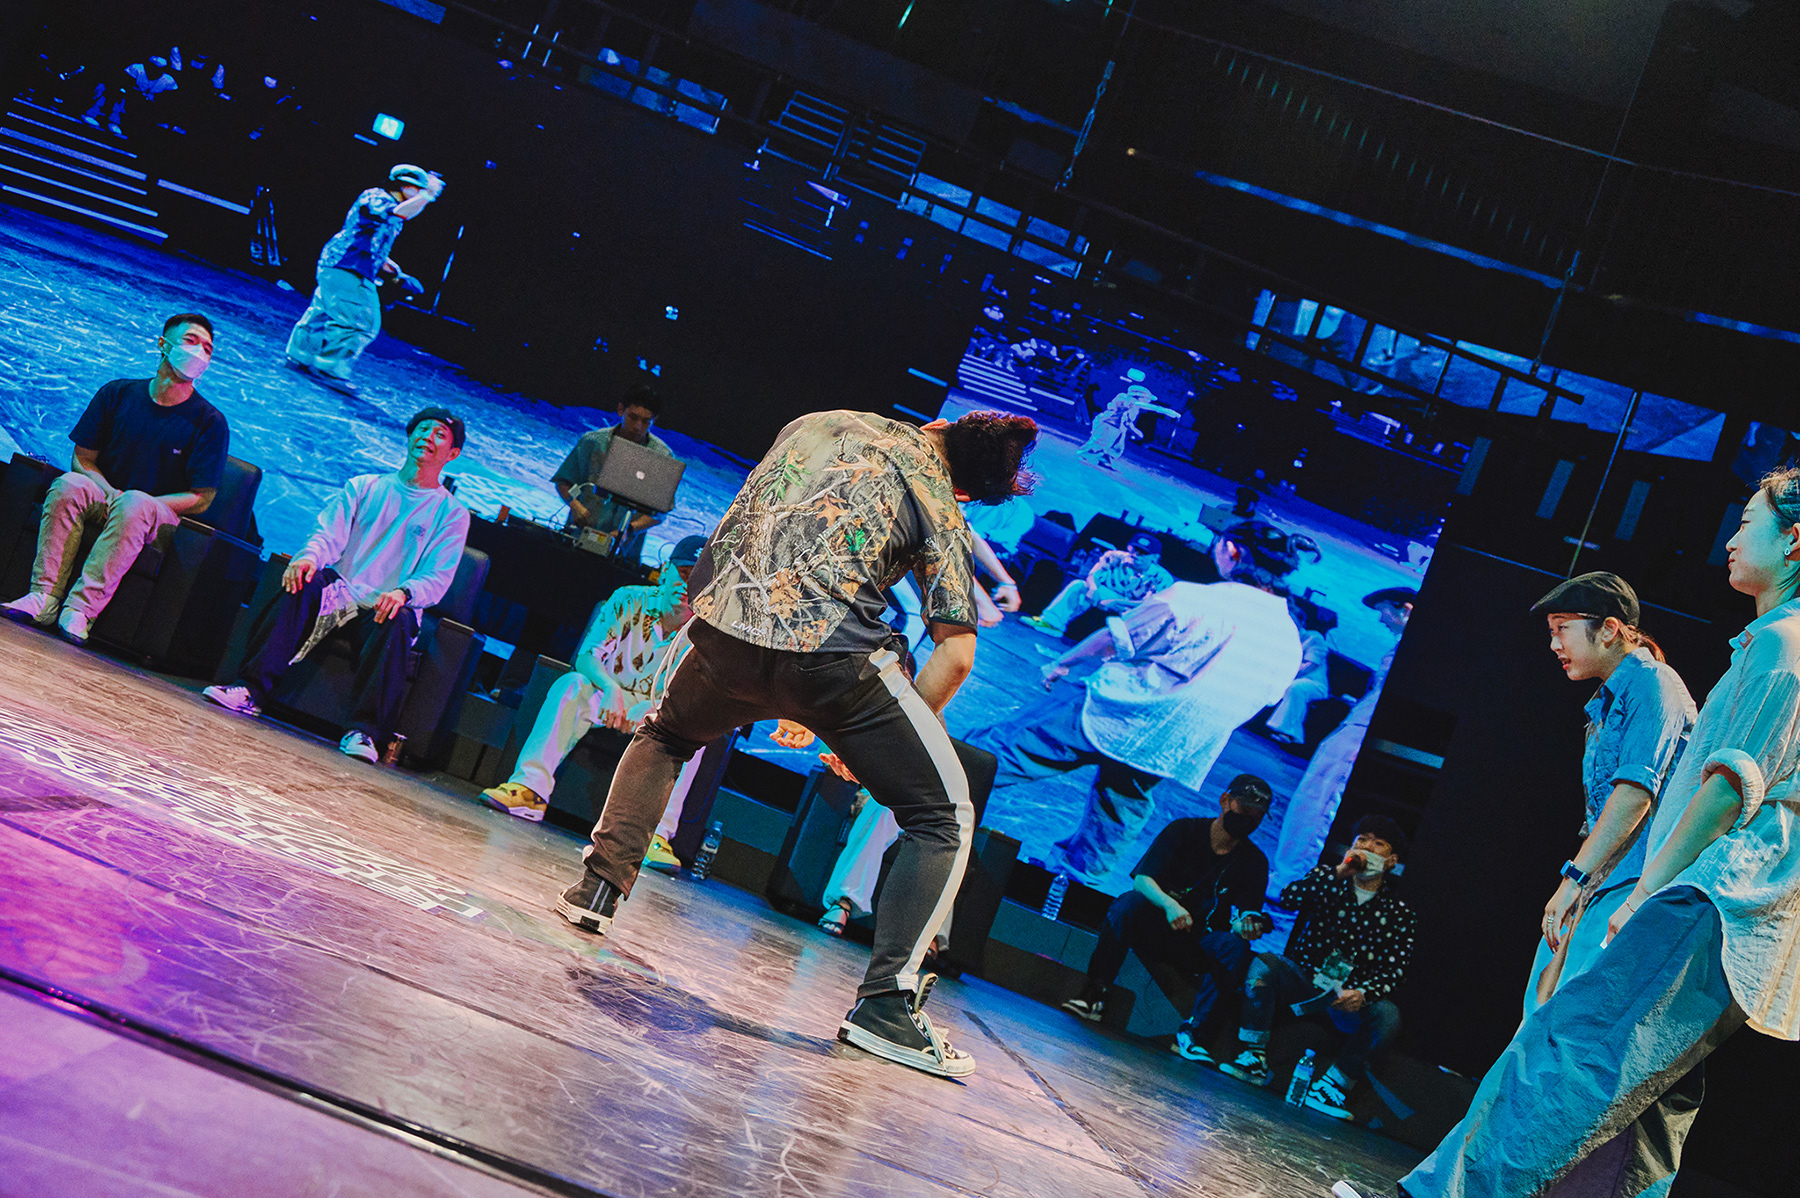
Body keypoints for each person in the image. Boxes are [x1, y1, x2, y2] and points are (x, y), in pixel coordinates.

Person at [1336, 469, 1800, 1198]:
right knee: (1643, 1101)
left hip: (1699, 893)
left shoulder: (1771, 651)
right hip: (1713, 904)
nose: (1732, 539)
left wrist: (1630, 891)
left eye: (1748, 523)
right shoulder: (1763, 646)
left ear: (1794, 540)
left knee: (1562, 1056)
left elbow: (1721, 788)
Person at [552, 408, 1037, 1079]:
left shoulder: (818, 422)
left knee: (664, 734)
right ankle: (886, 1010)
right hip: (832, 665)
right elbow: (956, 654)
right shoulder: (941, 503)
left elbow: (738, 526)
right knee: (944, 816)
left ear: (942, 425)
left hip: (726, 632)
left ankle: (596, 892)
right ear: (965, 488)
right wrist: (873, 746)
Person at [973, 520, 1307, 886]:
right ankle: (1071, 883)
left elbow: (1117, 639)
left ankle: (934, 796)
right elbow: (1265, 699)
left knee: (1003, 751)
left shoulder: (1198, 599)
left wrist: (1062, 663)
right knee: (1120, 808)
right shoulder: (1288, 639)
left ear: (1232, 551)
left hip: (1116, 711)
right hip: (1174, 742)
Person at [202, 408, 470, 763]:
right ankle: (250, 690)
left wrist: (404, 593)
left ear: (453, 453)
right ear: (409, 437)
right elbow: (328, 534)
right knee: (303, 579)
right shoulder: (365, 486)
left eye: (440, 435)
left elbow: (436, 577)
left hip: (386, 605)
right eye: (422, 429)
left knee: (400, 618)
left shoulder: (451, 513)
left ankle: (365, 731)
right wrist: (309, 557)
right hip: (342, 592)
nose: (427, 438)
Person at [1523, 572, 1694, 1018]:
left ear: (1609, 629)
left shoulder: (1653, 683)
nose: (1554, 644)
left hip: (1631, 883)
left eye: (1562, 629)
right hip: (1602, 879)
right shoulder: (1610, 698)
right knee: (1540, 1016)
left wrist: (1572, 881)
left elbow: (1635, 795)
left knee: (1569, 1023)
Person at [3, 313, 229, 645]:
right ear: (163, 344)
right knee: (69, 485)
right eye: (190, 341)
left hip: (157, 516)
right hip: (109, 496)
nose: (198, 352)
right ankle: (44, 597)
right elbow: (83, 458)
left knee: (134, 504)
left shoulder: (210, 422)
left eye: (207, 349)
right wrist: (109, 492)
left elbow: (202, 497)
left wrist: (141, 502)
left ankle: (81, 610)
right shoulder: (118, 393)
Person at [478, 536, 708, 833]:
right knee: (571, 684)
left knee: (695, 735)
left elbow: (693, 695)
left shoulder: (704, 633)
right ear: (666, 570)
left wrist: (653, 708)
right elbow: (588, 656)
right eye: (683, 573)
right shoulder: (629, 599)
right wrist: (611, 689)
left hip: (657, 712)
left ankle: (658, 834)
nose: (687, 585)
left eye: (697, 579)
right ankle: (530, 791)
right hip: (607, 694)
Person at [1060, 775, 1277, 1063]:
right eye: (1244, 808)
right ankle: (1095, 993)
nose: (1249, 818)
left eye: (1257, 814)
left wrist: (1245, 927)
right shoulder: (1184, 830)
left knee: (1234, 947)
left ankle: (1194, 1035)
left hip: (1199, 945)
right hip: (1157, 929)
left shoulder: (1254, 861)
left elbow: (1245, 915)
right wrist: (1170, 905)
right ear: (1225, 801)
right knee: (1128, 903)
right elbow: (1142, 880)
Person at [1220, 815, 1415, 1121]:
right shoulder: (1328, 879)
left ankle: (1332, 1086)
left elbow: (1395, 970)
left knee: (1388, 1015)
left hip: (1347, 999)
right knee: (1265, 964)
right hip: (1305, 983)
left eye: (1378, 843)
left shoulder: (1398, 913)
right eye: (1362, 839)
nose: (1367, 847)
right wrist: (1339, 872)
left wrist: (1363, 993)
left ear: (1391, 861)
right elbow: (1288, 897)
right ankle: (1253, 1057)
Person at [1269, 588, 1417, 893]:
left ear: (1405, 610)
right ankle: (1291, 876)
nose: (1381, 619)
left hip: (1359, 733)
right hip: (1356, 728)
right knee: (1312, 800)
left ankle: (1294, 879)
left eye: (1384, 611)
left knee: (1318, 803)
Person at [285, 164, 445, 394]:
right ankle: (329, 368)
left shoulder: (391, 206)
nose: (419, 194)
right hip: (347, 267)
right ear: (403, 185)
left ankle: (300, 356)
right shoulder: (376, 197)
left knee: (324, 312)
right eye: (417, 189)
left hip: (345, 265)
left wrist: (387, 265)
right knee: (360, 321)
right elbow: (400, 212)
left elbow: (372, 234)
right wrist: (428, 194)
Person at [552, 381, 678, 561]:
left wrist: (628, 530)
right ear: (620, 410)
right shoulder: (593, 441)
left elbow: (659, 514)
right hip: (577, 537)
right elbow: (564, 481)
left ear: (654, 420)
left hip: (623, 553)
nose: (638, 427)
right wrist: (574, 505)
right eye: (633, 417)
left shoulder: (662, 456)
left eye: (645, 421)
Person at [1022, 533, 1175, 638]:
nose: (1136, 555)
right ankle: (1051, 623)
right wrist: (1093, 588)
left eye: (1143, 553)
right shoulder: (1114, 556)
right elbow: (1093, 575)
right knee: (1079, 586)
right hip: (1107, 594)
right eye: (1134, 550)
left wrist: (1116, 603)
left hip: (1133, 607)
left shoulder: (1162, 578)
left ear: (1155, 557)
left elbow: (1149, 605)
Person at [1266, 600, 1331, 744]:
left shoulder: (1314, 638)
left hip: (1313, 684)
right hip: (1289, 677)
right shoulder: (1282, 639)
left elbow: (1309, 666)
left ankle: (1288, 733)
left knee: (1297, 687)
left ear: (1300, 621)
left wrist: (1283, 677)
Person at [1078, 380, 1180, 470]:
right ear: (1139, 397)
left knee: (1117, 446)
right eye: (1147, 398)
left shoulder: (1134, 407)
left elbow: (1128, 421)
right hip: (1109, 424)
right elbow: (1148, 406)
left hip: (1117, 426)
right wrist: (1167, 411)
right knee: (1101, 441)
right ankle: (1087, 453)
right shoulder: (1127, 399)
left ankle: (1104, 457)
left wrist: (1134, 430)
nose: (1149, 401)